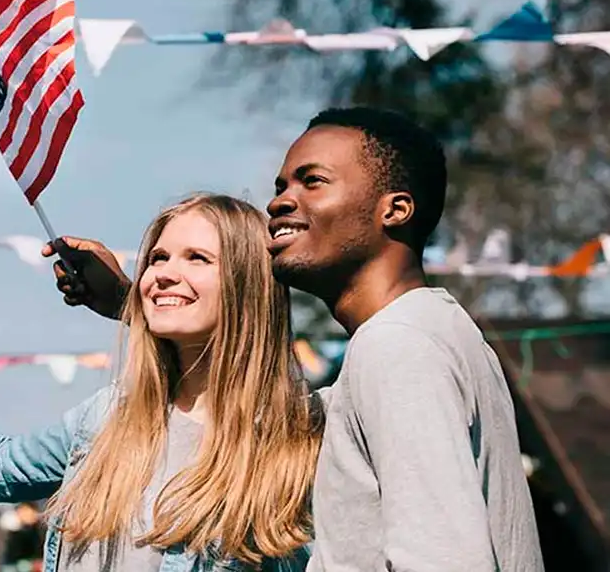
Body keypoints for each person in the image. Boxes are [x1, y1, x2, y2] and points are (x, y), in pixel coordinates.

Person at [43, 107, 544, 571]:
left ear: (394, 210)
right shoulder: (438, 333)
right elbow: (265, 402)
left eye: (313, 182)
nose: (281, 201)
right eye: (283, 184)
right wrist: (136, 306)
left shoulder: (396, 348)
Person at [0, 194, 323, 572]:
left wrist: (125, 302)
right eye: (157, 258)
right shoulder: (110, 415)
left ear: (249, 284)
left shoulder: (298, 438)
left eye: (197, 258)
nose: (162, 274)